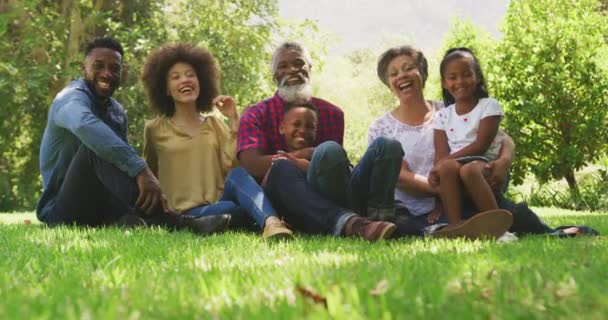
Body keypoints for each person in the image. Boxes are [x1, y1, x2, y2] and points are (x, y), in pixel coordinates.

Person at [370, 45, 596, 238]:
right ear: (388, 84)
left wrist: (503, 162)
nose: (402, 76)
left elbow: (502, 137)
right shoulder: (381, 128)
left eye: (409, 68)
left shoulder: (450, 109)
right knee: (410, 228)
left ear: (423, 74)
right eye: (394, 73)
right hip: (417, 210)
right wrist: (443, 187)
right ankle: (458, 225)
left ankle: (552, 232)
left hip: (465, 191)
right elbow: (400, 176)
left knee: (513, 213)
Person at [36, 37, 229, 234]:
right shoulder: (69, 98)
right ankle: (179, 223)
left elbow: (117, 169)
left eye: (114, 68)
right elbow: (85, 125)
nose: (106, 73)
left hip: (100, 208)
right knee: (94, 147)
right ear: (83, 68)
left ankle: (133, 218)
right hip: (61, 211)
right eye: (98, 66)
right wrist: (141, 169)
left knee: (118, 162)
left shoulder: (117, 112)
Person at [238, 41, 398, 241]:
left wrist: (308, 161)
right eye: (283, 66)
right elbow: (251, 165)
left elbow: (333, 168)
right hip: (287, 200)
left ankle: (379, 219)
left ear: (309, 69)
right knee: (281, 167)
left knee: (386, 145)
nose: (292, 70)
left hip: (330, 193)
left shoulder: (332, 113)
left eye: (299, 63)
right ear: (274, 76)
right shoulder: (256, 114)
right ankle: (350, 223)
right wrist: (300, 156)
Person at [141, 43, 292, 240]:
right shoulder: (153, 129)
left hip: (219, 203)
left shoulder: (215, 125)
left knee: (235, 187)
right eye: (175, 77)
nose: (185, 80)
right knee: (232, 210)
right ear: (166, 90)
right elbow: (149, 176)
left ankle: (272, 224)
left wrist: (233, 118)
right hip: (185, 214)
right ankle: (252, 218)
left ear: (201, 81)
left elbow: (237, 168)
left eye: (190, 74)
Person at [430, 47, 509, 228]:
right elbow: (441, 155)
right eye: (452, 77)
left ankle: (497, 224)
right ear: (444, 82)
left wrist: (442, 164)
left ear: (477, 77)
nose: (460, 81)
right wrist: (438, 201)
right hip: (457, 164)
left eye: (466, 74)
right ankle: (455, 224)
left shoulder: (489, 106)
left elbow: (481, 145)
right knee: (448, 167)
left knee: (468, 170)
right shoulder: (443, 116)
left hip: (485, 163)